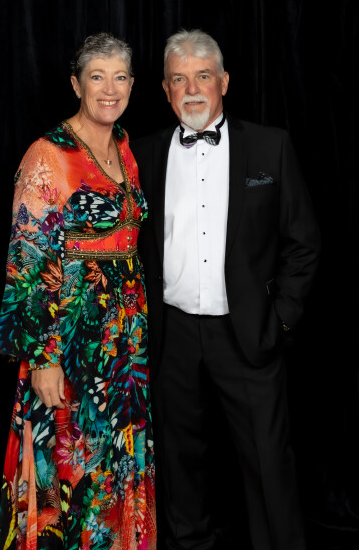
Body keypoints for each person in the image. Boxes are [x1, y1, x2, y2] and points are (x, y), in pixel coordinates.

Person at [132, 29, 321, 550]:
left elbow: (303, 243)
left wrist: (279, 319)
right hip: (171, 335)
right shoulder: (142, 155)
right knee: (179, 462)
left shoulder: (270, 146)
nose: (192, 89)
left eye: (203, 76)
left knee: (267, 460)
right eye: (179, 79)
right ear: (166, 90)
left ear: (224, 82)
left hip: (247, 331)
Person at [0, 33, 156, 550]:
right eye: (97, 77)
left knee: (114, 462)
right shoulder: (48, 155)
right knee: (71, 463)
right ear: (75, 84)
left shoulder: (125, 147)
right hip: (70, 342)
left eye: (120, 77)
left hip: (122, 345)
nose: (110, 89)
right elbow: (28, 262)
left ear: (132, 84)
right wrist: (43, 357)